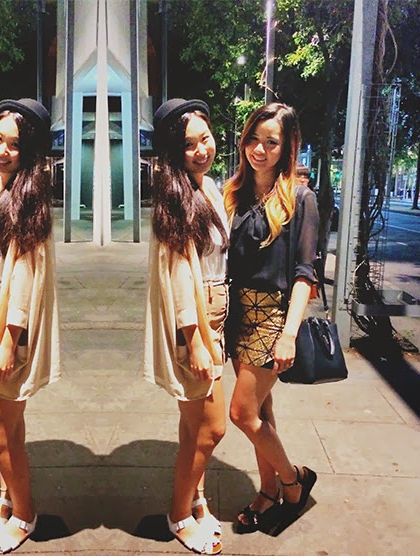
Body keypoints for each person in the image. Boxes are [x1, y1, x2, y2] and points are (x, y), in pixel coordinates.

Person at [223, 103, 319, 534]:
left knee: (242, 413)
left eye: (271, 142)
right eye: (253, 139)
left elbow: (304, 274)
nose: (259, 149)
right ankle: (266, 490)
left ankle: (293, 482)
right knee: (261, 407)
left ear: (287, 147)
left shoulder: (300, 198)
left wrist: (289, 334)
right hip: (237, 313)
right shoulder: (234, 193)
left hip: (272, 316)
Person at [144, 99, 229, 555]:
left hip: (215, 317)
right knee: (212, 429)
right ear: (174, 152)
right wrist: (196, 340)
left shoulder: (208, 187)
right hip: (196, 325)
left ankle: (197, 500)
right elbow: (178, 275)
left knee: (192, 426)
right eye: (189, 145)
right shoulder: (176, 198)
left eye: (205, 139)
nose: (201, 150)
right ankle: (178, 514)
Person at [0, 98, 60, 555]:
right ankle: (7, 500)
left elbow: (25, 275)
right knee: (11, 427)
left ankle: (25, 514)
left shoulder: (27, 197)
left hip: (7, 326)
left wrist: (8, 341)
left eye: (14, 145)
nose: (2, 150)